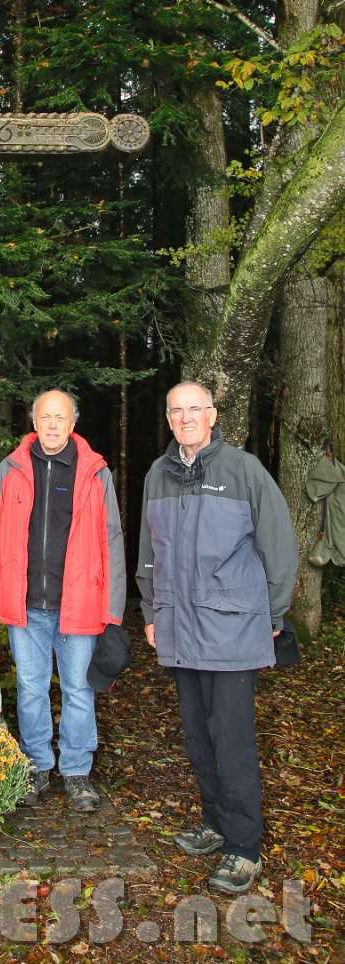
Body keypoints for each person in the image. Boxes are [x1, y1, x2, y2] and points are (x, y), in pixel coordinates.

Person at [137, 381, 297, 895]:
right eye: (175, 410)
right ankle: (215, 823)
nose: (184, 418)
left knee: (231, 741)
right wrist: (150, 609)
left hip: (231, 629)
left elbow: (278, 545)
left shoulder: (243, 470)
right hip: (180, 628)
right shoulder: (158, 475)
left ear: (212, 416)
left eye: (194, 410)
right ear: (168, 419)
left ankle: (244, 847)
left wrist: (272, 613)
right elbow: (148, 552)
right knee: (197, 737)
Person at [0, 389, 126, 811]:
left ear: (73, 423)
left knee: (79, 689)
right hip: (25, 602)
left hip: (80, 602)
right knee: (30, 687)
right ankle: (37, 765)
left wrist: (113, 605)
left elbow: (111, 537)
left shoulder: (95, 471)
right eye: (46, 417)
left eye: (60, 417)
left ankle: (77, 772)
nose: (53, 424)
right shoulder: (12, 468)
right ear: (34, 422)